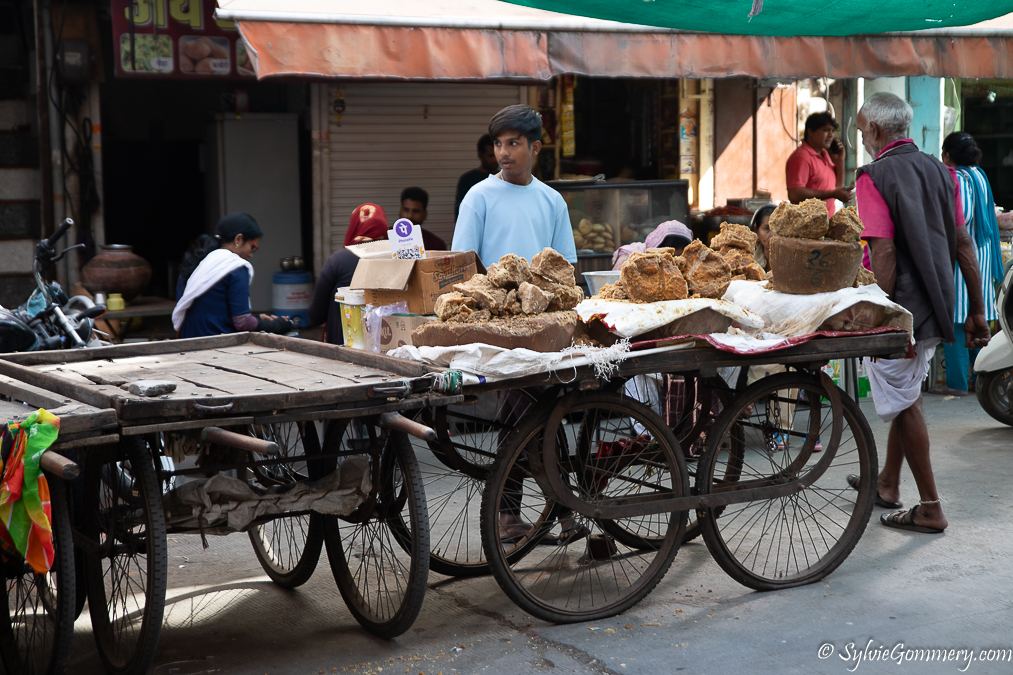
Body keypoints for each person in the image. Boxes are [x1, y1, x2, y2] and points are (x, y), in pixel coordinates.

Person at [854, 92, 990, 534]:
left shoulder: (873, 176)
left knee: (906, 401)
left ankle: (930, 508)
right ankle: (888, 483)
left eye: (861, 130)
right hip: (937, 302)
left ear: (875, 130)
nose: (861, 138)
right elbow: (963, 243)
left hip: (902, 308)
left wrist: (879, 315)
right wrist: (976, 310)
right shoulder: (941, 171)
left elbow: (883, 252)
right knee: (905, 394)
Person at [452, 105, 577, 268]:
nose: (503, 152)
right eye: (498, 143)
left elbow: (565, 267)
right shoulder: (478, 197)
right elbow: (461, 266)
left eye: (512, 143)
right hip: (490, 286)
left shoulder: (553, 200)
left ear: (535, 148)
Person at [938, 132, 1003, 395]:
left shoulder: (960, 178)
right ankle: (981, 379)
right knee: (977, 321)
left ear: (947, 156)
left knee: (955, 323)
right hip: (982, 258)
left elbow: (960, 219)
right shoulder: (980, 175)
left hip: (964, 259)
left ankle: (957, 384)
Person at [173, 212, 292, 339]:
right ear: (238, 239)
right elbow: (243, 323)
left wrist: (257, 318)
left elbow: (211, 312)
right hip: (216, 343)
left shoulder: (197, 264)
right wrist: (280, 324)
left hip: (186, 340)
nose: (251, 254)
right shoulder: (236, 267)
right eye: (253, 247)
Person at [308, 204, 389, 345]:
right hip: (387, 345)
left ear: (355, 226)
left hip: (343, 348)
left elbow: (315, 316)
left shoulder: (339, 259)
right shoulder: (396, 259)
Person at [786, 112, 853, 215]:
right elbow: (794, 194)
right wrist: (832, 193)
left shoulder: (824, 154)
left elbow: (837, 188)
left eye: (832, 131)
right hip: (807, 223)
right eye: (826, 130)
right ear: (811, 132)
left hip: (826, 221)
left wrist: (840, 161)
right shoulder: (801, 157)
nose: (831, 135)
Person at [611, 220, 694, 270]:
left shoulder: (685, 267)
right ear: (657, 247)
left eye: (679, 257)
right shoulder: (628, 259)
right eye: (671, 257)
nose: (675, 262)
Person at [454, 134, 499, 219]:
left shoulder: (506, 178)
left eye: (497, 155)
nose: (494, 160)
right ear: (480, 154)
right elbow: (461, 213)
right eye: (490, 156)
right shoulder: (468, 180)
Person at [398, 187, 446, 251]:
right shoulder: (386, 238)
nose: (410, 215)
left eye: (416, 211)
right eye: (406, 210)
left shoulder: (436, 244)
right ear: (400, 211)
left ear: (424, 214)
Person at [748, 203, 777, 271]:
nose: (773, 235)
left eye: (777, 228)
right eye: (766, 228)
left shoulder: (792, 261)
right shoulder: (749, 262)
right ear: (756, 231)